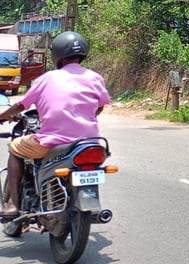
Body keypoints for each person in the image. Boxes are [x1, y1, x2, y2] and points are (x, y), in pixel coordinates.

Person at [0, 31, 111, 219]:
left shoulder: (46, 79)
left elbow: (21, 105)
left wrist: (3, 116)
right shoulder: (95, 77)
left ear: (57, 54)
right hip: (89, 142)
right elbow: (99, 106)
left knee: (15, 148)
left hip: (53, 142)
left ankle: (13, 204)